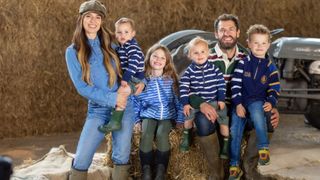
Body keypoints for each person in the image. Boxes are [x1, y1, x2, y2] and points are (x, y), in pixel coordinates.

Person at [189, 14, 280, 180]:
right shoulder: (203, 55)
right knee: (202, 120)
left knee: (266, 116)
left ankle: (249, 170)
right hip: (215, 106)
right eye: (222, 30)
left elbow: (267, 84)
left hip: (243, 106)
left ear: (238, 33)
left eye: (231, 29)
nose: (227, 33)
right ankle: (216, 173)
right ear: (216, 34)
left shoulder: (248, 57)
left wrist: (273, 106)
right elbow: (188, 87)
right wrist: (201, 103)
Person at [65, 1, 134, 179]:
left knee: (121, 156)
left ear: (102, 21)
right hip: (98, 109)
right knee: (81, 158)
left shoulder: (113, 44)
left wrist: (135, 85)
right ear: (81, 19)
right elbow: (82, 87)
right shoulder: (73, 51)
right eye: (88, 16)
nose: (93, 21)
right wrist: (113, 99)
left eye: (97, 17)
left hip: (124, 107)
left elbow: (131, 66)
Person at [229, 24, 280, 179]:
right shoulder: (243, 63)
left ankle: (263, 147)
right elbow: (235, 85)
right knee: (234, 133)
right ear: (249, 44)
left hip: (257, 101)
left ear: (268, 45)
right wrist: (238, 104)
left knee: (258, 111)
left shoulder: (271, 67)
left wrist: (271, 101)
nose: (259, 46)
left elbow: (274, 88)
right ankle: (234, 165)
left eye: (263, 43)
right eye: (256, 43)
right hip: (240, 103)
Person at [133, 44, 184, 180]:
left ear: (167, 62)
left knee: (162, 134)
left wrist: (180, 120)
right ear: (149, 58)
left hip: (167, 116)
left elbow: (179, 102)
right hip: (148, 115)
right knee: (147, 134)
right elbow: (135, 102)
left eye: (162, 58)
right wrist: (136, 120)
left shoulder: (171, 80)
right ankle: (146, 170)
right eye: (155, 56)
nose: (158, 60)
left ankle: (161, 170)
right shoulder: (142, 81)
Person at [179, 37, 230, 159]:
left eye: (203, 52)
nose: (200, 55)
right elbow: (183, 89)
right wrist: (186, 103)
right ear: (190, 56)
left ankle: (226, 144)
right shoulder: (189, 72)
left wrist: (221, 99)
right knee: (188, 116)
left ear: (208, 53)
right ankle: (186, 136)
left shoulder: (214, 69)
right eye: (195, 53)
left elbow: (221, 84)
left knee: (224, 122)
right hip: (197, 105)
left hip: (214, 101)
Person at [98, 17, 145, 134]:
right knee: (119, 93)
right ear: (115, 33)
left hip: (135, 77)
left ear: (133, 34)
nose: (122, 35)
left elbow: (133, 66)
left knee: (122, 92)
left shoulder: (133, 48)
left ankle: (115, 122)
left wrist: (125, 79)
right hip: (130, 76)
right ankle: (115, 119)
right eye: (119, 32)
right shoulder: (121, 47)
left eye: (126, 32)